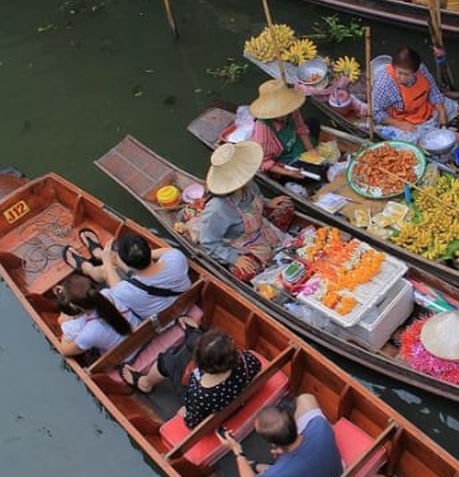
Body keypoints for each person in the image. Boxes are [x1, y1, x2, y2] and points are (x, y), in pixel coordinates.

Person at [216, 393, 343, 477]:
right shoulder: (319, 425)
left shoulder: (274, 476)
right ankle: (261, 468)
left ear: (273, 445)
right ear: (294, 424)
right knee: (306, 398)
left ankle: (261, 470)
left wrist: (237, 450)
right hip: (336, 476)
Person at [120, 323, 262, 428]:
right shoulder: (247, 360)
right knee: (191, 344)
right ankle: (192, 333)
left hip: (208, 398)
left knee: (168, 361)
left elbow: (192, 422)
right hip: (230, 390)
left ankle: (145, 383)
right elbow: (257, 367)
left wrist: (185, 413)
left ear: (199, 363)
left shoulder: (198, 391)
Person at [198, 141, 285, 282]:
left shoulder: (249, 184)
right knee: (246, 271)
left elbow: (258, 199)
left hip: (261, 228)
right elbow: (209, 242)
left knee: (286, 206)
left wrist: (268, 203)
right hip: (242, 243)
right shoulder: (217, 208)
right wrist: (234, 258)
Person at [63, 231, 191, 321]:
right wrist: (133, 256)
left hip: (160, 317)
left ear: (127, 264)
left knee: (105, 271)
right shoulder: (176, 257)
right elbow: (155, 253)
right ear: (149, 247)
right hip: (181, 304)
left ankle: (88, 267)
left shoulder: (123, 291)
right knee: (111, 267)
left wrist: (107, 259)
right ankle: (97, 256)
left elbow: (113, 280)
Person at [372, 47, 458, 143]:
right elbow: (376, 112)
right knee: (410, 139)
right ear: (394, 67)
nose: (401, 78)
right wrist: (399, 124)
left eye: (406, 74)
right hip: (403, 118)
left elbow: (433, 90)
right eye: (399, 73)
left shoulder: (421, 69)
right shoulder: (384, 83)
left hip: (424, 108)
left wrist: (442, 111)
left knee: (453, 107)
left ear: (415, 72)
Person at [55, 273, 138, 358]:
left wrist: (65, 322)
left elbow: (65, 350)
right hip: (142, 337)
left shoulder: (89, 332)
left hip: (130, 357)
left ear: (74, 306)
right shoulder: (108, 293)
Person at [249, 79, 317, 174]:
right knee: (313, 172)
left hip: (295, 144)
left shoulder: (291, 109)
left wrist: (311, 150)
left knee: (314, 123)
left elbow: (301, 128)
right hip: (283, 158)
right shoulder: (263, 132)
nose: (285, 114)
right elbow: (264, 162)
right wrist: (288, 173)